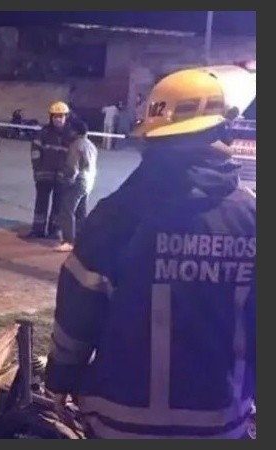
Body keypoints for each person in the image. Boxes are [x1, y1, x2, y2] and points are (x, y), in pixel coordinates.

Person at [44, 64, 256, 438]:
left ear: (152, 139)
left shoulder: (116, 215)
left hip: (120, 422)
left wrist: (61, 377)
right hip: (221, 422)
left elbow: (77, 311)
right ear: (225, 129)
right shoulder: (252, 217)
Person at [26, 101, 71, 238]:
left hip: (62, 177)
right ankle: (38, 230)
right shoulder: (43, 133)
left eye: (61, 116)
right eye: (55, 116)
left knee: (58, 204)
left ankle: (54, 230)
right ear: (51, 117)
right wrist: (37, 170)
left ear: (65, 117)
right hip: (43, 175)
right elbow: (35, 152)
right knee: (41, 203)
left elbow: (73, 157)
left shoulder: (70, 135)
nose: (58, 119)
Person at [54, 119, 97, 252]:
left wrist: (67, 180)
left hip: (78, 180)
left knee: (67, 209)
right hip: (89, 180)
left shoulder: (76, 145)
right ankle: (81, 239)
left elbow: (72, 167)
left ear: (75, 131)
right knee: (81, 211)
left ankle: (69, 241)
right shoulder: (90, 145)